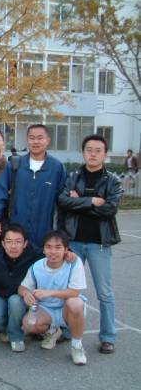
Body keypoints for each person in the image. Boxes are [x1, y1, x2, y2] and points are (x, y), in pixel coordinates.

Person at [58, 134, 123, 354]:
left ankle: (108, 337)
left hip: (99, 244)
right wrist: (92, 201)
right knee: (68, 290)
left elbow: (110, 209)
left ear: (105, 154)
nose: (93, 154)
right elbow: (63, 201)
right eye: (89, 150)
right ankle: (66, 330)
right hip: (74, 242)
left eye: (98, 150)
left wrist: (78, 202)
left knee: (104, 293)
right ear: (83, 152)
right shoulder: (73, 176)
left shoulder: (113, 180)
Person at [0, 124, 67, 247]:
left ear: (48, 140)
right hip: (16, 231)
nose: (35, 142)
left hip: (46, 232)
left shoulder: (57, 168)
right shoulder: (15, 165)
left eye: (40, 138)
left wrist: (61, 232)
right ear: (27, 140)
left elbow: (63, 200)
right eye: (32, 138)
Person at [19, 230, 88, 365]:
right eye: (49, 247)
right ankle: (53, 331)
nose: (53, 251)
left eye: (58, 247)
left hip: (66, 308)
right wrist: (26, 294)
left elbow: (74, 292)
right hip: (47, 309)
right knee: (28, 324)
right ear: (43, 249)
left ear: (66, 249)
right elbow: (22, 287)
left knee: (75, 303)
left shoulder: (74, 263)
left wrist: (49, 293)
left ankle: (77, 346)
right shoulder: (37, 266)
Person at [0, 224, 42, 352]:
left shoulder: (34, 253)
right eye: (9, 241)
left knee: (15, 301)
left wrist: (69, 254)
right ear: (3, 243)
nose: (13, 246)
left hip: (23, 298)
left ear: (25, 243)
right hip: (1, 296)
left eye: (18, 242)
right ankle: (13, 329)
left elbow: (52, 254)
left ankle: (16, 337)